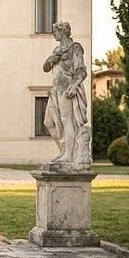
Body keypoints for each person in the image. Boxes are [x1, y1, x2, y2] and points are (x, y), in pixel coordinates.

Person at [43, 21, 89, 165]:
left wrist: (74, 85)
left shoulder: (75, 48)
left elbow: (81, 70)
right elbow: (46, 69)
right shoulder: (56, 50)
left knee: (66, 119)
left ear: (63, 32)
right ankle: (63, 150)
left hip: (67, 87)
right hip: (55, 89)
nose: (53, 34)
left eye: (55, 32)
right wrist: (49, 61)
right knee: (48, 122)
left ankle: (69, 154)